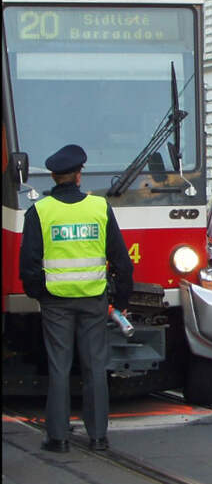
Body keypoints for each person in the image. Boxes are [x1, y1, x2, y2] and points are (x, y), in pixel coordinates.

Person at [19, 144, 133, 453]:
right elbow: (121, 260)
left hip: (55, 301)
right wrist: (121, 300)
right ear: (79, 176)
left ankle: (58, 438)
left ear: (54, 178)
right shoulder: (98, 208)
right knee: (95, 366)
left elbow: (28, 263)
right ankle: (98, 437)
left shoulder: (40, 211)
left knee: (59, 366)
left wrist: (39, 294)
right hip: (94, 299)